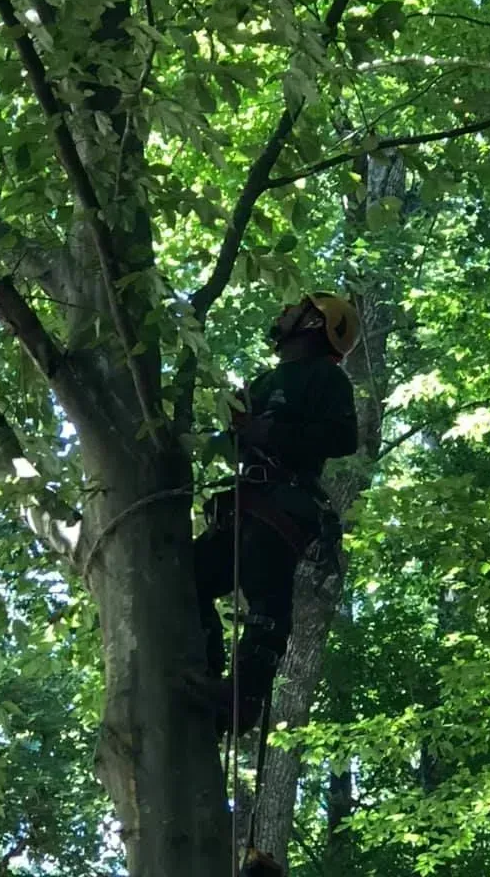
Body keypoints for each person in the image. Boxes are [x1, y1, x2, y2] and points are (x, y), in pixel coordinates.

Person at [193, 292, 359, 736]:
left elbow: (343, 437)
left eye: (294, 309)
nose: (284, 312)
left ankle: (242, 699)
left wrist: (264, 429)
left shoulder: (325, 377)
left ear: (313, 324)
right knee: (185, 578)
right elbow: (236, 443)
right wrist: (231, 430)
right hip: (247, 501)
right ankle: (203, 674)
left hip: (284, 502)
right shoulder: (265, 380)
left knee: (268, 597)